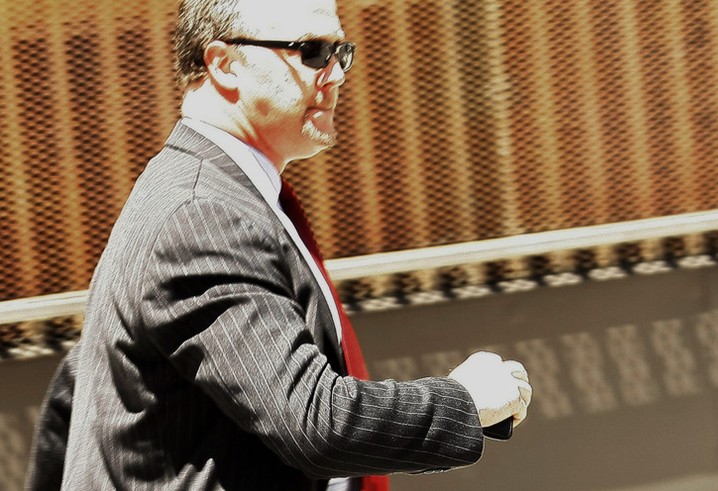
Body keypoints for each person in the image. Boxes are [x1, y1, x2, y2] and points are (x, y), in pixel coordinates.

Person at [26, 0, 532, 489]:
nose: (334, 74)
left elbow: (75, 395)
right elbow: (314, 422)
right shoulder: (203, 213)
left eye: (340, 52)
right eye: (311, 51)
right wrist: (463, 401)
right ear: (224, 64)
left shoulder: (216, 193)